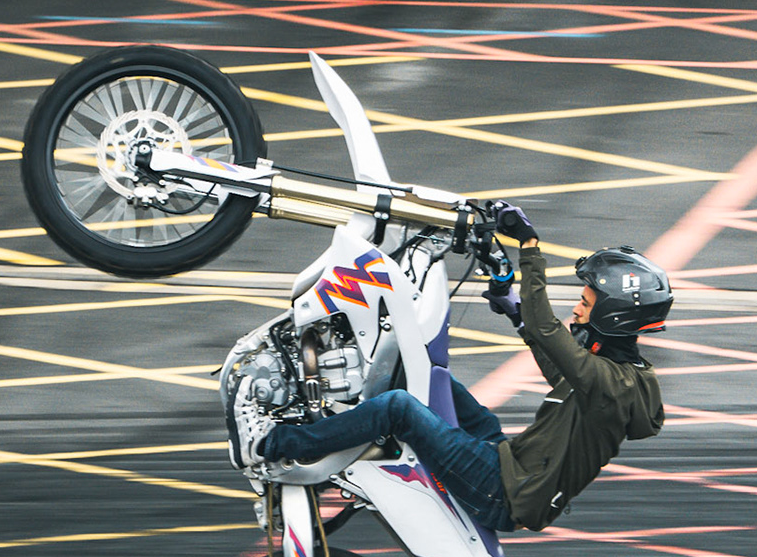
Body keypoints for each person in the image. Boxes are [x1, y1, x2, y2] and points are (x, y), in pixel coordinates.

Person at [227, 203, 666, 533]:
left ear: (612, 317)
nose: (577, 309)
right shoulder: (622, 377)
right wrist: (512, 306)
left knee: (399, 407)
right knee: (426, 375)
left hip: (503, 491)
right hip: (509, 462)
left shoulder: (613, 385)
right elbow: (559, 368)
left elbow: (548, 331)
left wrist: (529, 247)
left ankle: (274, 443)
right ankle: (338, 431)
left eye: (585, 303)